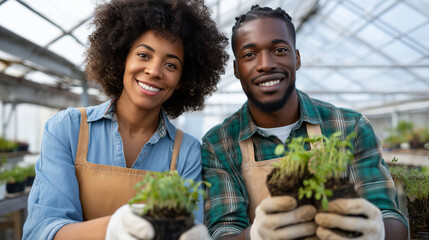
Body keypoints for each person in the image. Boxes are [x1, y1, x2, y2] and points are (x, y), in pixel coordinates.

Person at [22, 0, 228, 239]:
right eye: (143, 55)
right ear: (123, 58)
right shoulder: (67, 129)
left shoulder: (186, 152)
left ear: (182, 79)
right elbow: (41, 231)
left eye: (171, 64)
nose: (154, 71)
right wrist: (112, 228)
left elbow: (187, 230)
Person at [202, 5, 408, 240]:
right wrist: (255, 235)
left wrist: (377, 230)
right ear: (237, 69)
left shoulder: (350, 126)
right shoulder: (219, 145)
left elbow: (393, 219)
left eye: (279, 50)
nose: (266, 64)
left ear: (296, 58)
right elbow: (223, 230)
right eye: (250, 55)